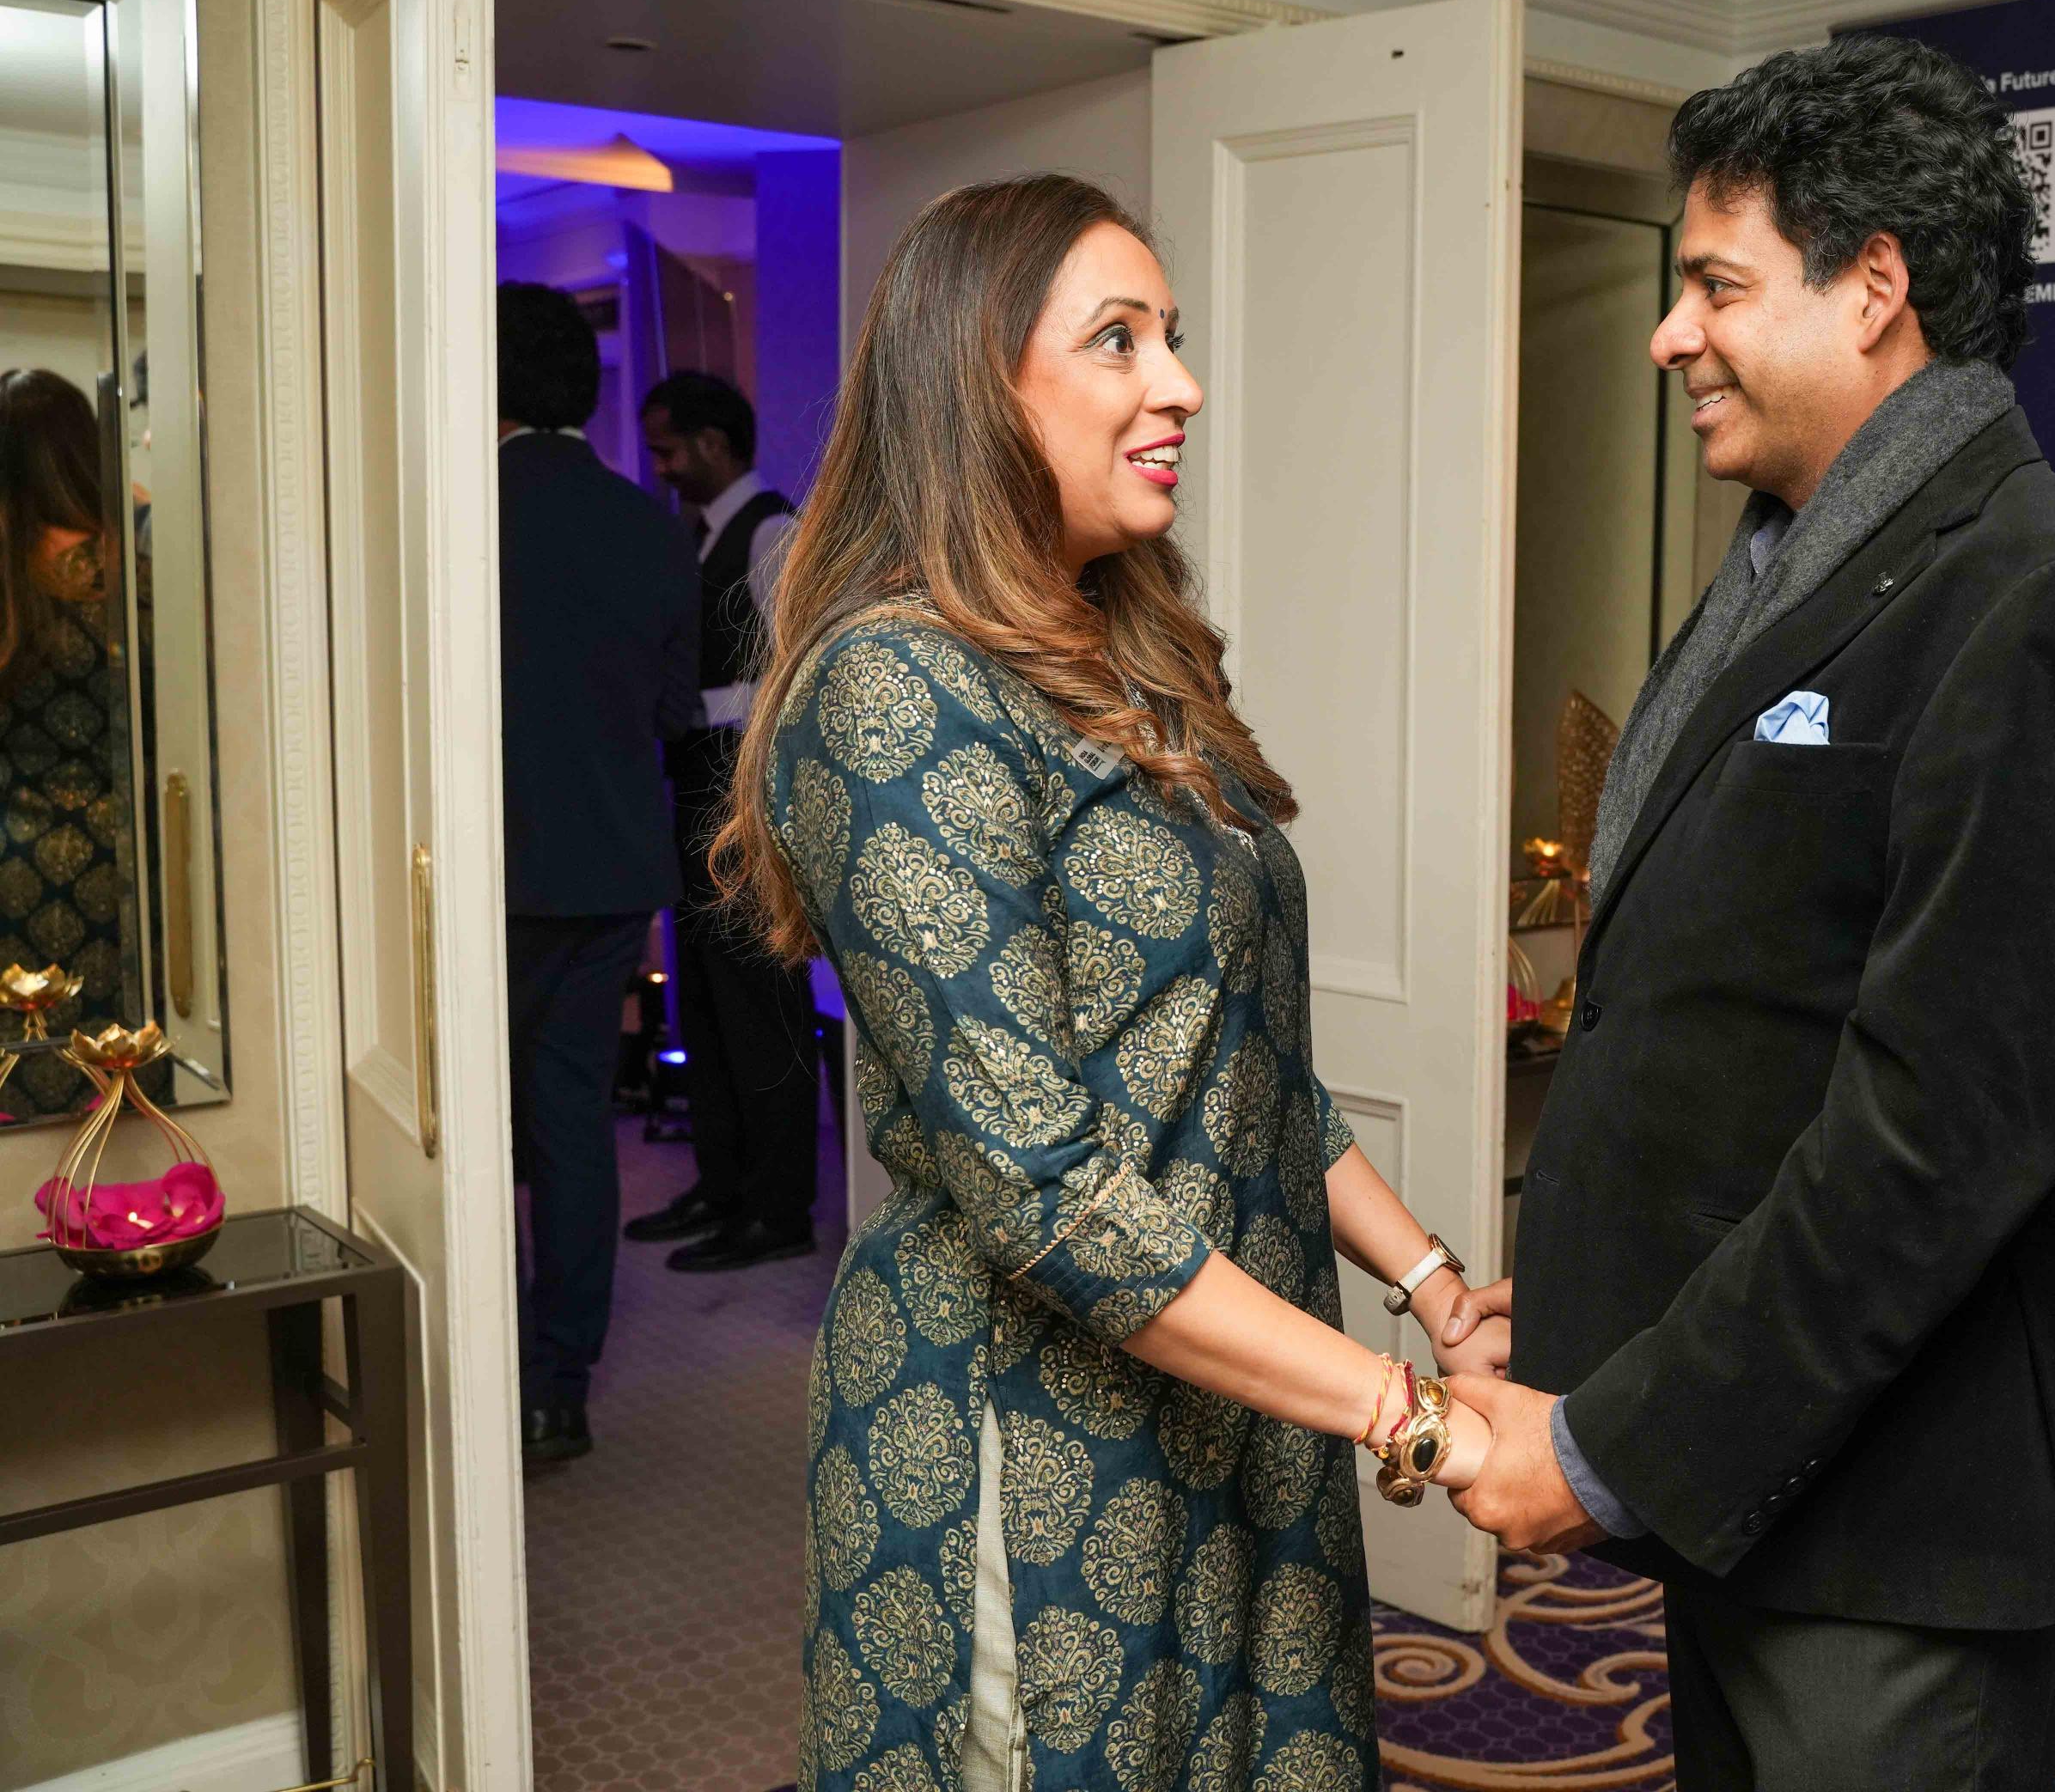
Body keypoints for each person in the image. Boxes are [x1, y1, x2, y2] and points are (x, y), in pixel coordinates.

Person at [1440, 37, 2055, 1792]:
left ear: (1874, 288)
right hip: (1758, 1478)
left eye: (1716, 285)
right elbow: (1747, 1015)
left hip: (1895, 1532)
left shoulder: (2043, 594)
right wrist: (1589, 1296)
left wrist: (1615, 1445)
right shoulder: (1806, 551)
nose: (1668, 335)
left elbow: (1932, 1143)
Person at [715, 175, 1509, 1792]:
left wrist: (1431, 1283)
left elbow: (1236, 1062)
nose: (1182, 384)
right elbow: (1045, 1187)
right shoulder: (896, 689)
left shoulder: (1120, 655)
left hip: (1238, 1384)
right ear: (979, 386)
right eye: (1120, 340)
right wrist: (1407, 1414)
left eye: (1174, 337)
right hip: (1031, 1426)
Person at [497, 283, 700, 1464]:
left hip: (492, 872)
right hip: (617, 864)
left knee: (477, 1129)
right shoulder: (649, 526)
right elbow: (675, 712)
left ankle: (479, 1372)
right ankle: (557, 1385)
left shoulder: (461, 514)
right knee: (573, 1122)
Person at [621, 369, 822, 1271]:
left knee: (759, 1004)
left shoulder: (773, 531)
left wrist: (686, 707)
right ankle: (722, 1182)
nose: (661, 467)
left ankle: (778, 1207)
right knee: (701, 999)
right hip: (695, 789)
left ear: (713, 443)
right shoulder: (693, 539)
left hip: (745, 796)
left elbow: (793, 673)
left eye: (668, 449)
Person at [0, 367, 134, 1119]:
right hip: (124, 860)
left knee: (21, 1070)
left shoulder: (9, 575)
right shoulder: (134, 564)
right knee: (111, 1075)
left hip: (13, 852)